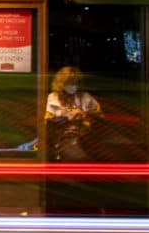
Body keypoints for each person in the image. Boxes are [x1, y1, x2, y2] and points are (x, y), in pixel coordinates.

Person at [44, 65, 104, 215]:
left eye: (76, 83)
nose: (73, 86)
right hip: (63, 139)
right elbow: (48, 122)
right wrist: (66, 117)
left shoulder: (86, 97)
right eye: (70, 83)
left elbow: (101, 118)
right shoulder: (52, 98)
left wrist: (85, 116)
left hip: (85, 139)